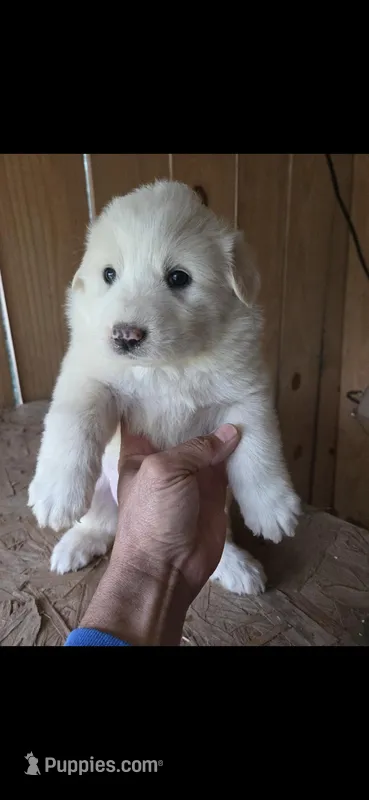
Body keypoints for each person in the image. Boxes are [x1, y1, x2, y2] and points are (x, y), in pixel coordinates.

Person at [64, 422, 241, 646]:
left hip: (192, 471)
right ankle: (93, 527)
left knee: (212, 472)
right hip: (117, 460)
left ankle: (223, 546)